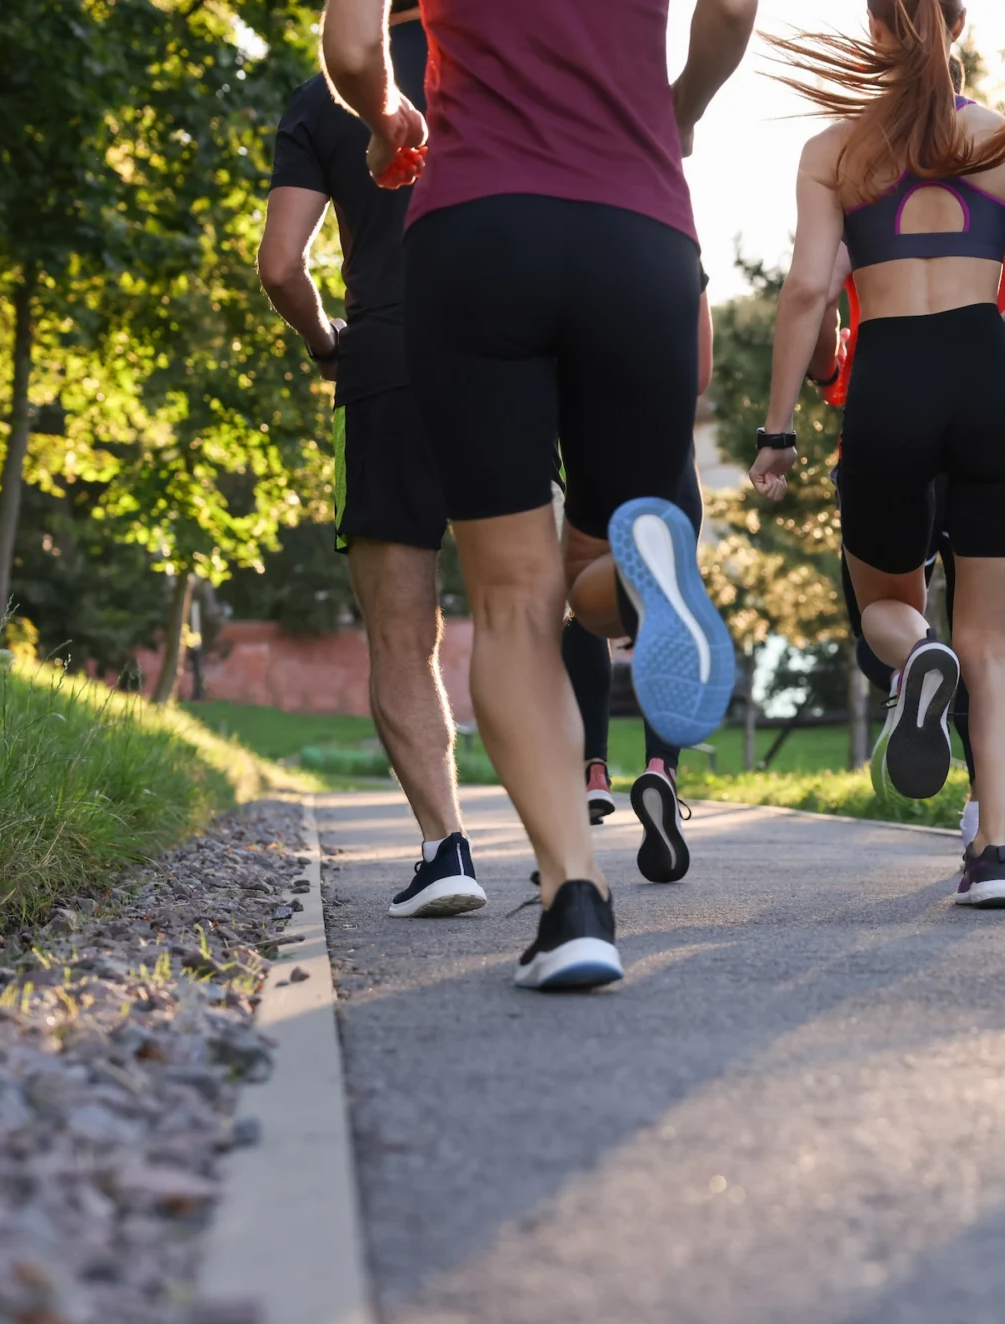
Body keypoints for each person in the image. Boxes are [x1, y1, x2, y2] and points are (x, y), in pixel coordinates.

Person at [323, 0, 758, 990]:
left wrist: (388, 111)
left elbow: (353, 47)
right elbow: (732, 7)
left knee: (515, 602)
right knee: (595, 561)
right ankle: (648, 579)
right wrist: (678, 106)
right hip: (639, 234)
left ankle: (575, 902)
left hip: (477, 234)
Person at [754, 0, 1005, 909]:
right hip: (994, 383)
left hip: (888, 386)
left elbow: (809, 288)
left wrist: (777, 434)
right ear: (956, 28)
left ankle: (921, 653)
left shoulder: (834, 153)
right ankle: (996, 856)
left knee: (885, 601)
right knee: (994, 648)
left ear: (876, 31)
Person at [257, 0, 485, 920]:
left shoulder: (322, 97)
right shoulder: (497, 61)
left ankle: (447, 849)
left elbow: (281, 266)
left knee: (403, 635)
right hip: (501, 353)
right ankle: (565, 855)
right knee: (520, 609)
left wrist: (326, 342)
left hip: (385, 362)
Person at [811, 235, 1005, 853]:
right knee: (992, 648)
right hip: (995, 419)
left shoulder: (859, 184)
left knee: (885, 624)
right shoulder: (1002, 189)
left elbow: (816, 302)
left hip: (890, 413)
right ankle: (992, 840)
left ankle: (919, 655)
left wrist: (831, 377)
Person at [565, 278, 719, 885]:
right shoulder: (675, 246)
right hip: (667, 457)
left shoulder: (561, 240)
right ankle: (661, 766)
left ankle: (593, 772)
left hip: (590, 453)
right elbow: (700, 374)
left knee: (582, 607)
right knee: (665, 608)